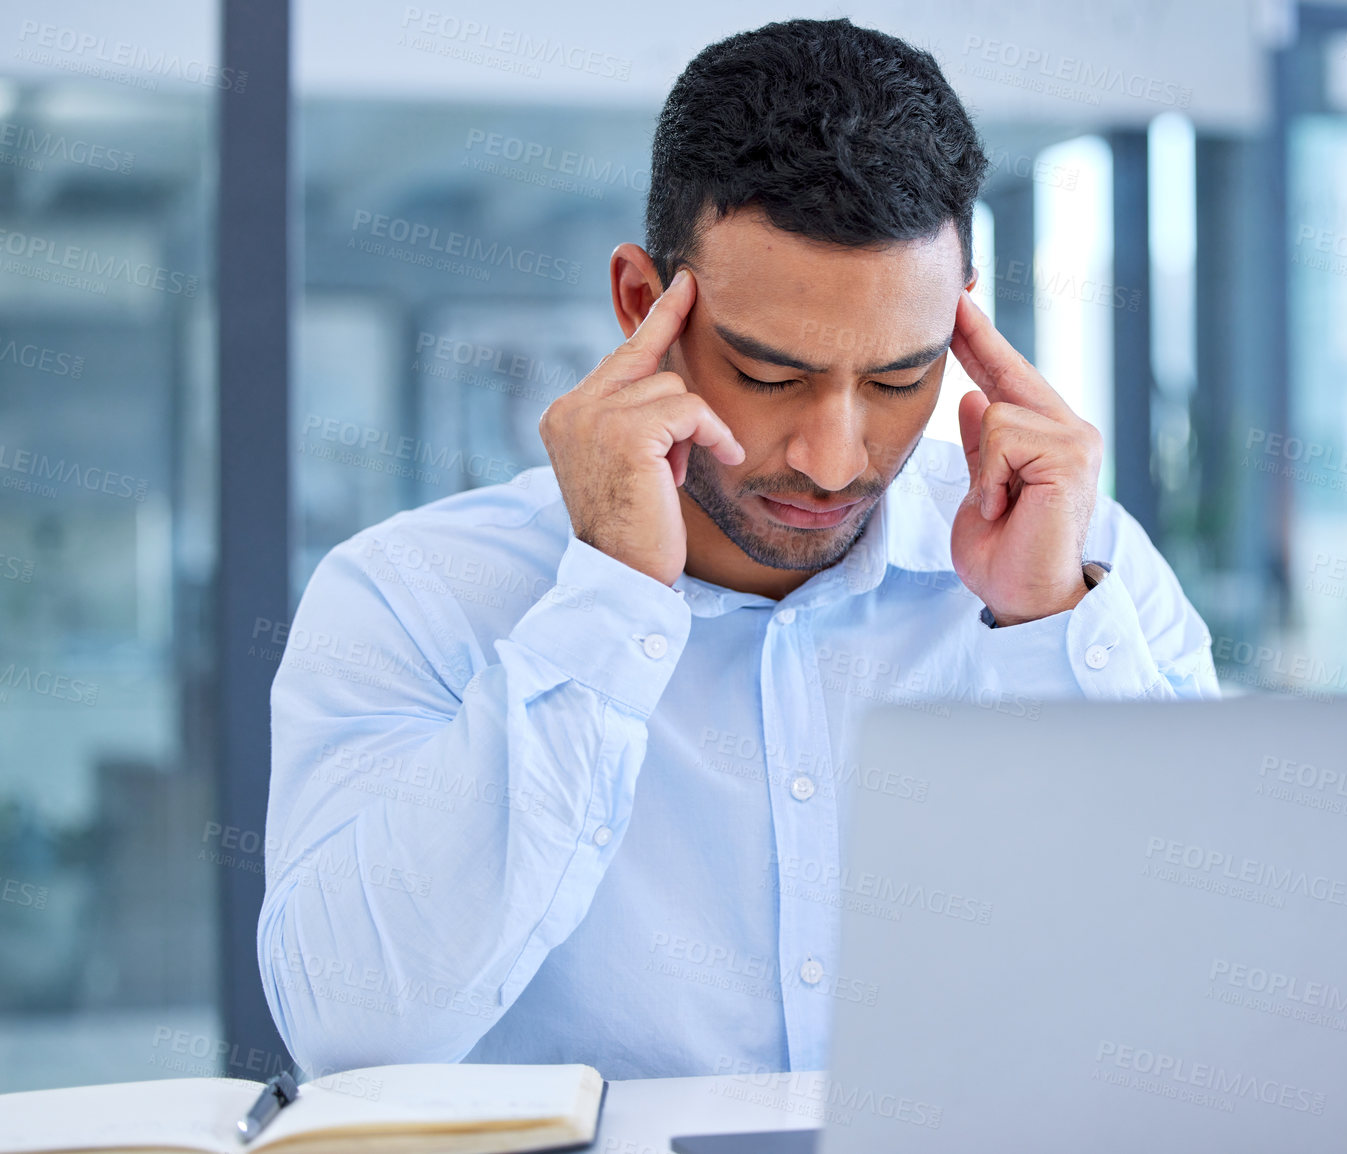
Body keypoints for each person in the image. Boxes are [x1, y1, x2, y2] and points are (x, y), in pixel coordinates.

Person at [259, 16, 1218, 1082]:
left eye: (901, 377)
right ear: (643, 308)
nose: (832, 456)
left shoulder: (1081, 569)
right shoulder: (414, 596)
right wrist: (610, 596)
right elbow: (349, 1031)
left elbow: (1202, 1000)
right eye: (770, 374)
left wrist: (1047, 629)